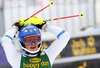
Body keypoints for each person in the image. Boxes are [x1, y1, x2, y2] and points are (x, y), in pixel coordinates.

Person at [1, 16, 70, 68]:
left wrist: (45, 26)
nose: (33, 43)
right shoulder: (17, 61)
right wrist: (15, 28)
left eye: (36, 39)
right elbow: (5, 40)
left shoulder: (48, 55)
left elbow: (65, 36)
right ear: (22, 43)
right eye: (28, 40)